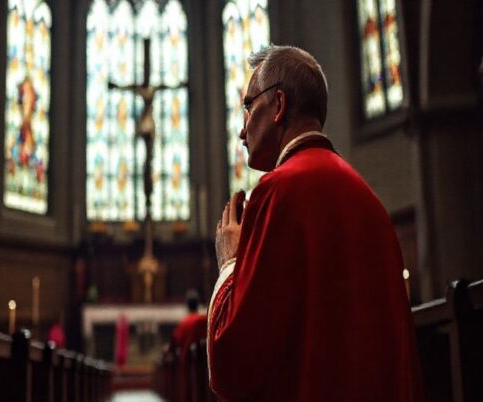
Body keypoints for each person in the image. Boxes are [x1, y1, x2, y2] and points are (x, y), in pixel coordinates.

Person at [208, 45, 424, 401]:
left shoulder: (277, 191)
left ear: (278, 105)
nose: (242, 130)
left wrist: (230, 262)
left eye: (248, 106)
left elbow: (235, 361)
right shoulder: (368, 199)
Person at [171, 289, 207, 401]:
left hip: (186, 365)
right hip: (205, 368)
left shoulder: (183, 324)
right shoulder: (204, 320)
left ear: (187, 305)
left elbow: (174, 344)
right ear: (198, 304)